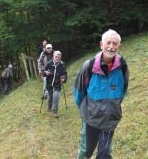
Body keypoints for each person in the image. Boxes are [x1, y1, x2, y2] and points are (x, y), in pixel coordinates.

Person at [74, 29, 129, 159]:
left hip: (110, 120)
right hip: (91, 119)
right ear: (101, 45)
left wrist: (113, 107)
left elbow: (123, 89)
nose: (111, 47)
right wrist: (87, 111)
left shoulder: (122, 66)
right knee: (85, 152)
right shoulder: (89, 66)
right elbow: (78, 93)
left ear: (118, 46)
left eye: (114, 44)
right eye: (108, 43)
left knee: (105, 154)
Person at [42, 51, 67, 118]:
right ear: (53, 56)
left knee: (56, 96)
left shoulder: (62, 64)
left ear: (60, 57)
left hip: (57, 84)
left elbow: (64, 73)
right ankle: (49, 107)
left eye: (58, 57)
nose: (57, 58)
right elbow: (43, 71)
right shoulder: (49, 63)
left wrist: (63, 78)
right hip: (49, 83)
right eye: (56, 56)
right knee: (50, 97)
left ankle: (55, 111)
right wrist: (45, 72)